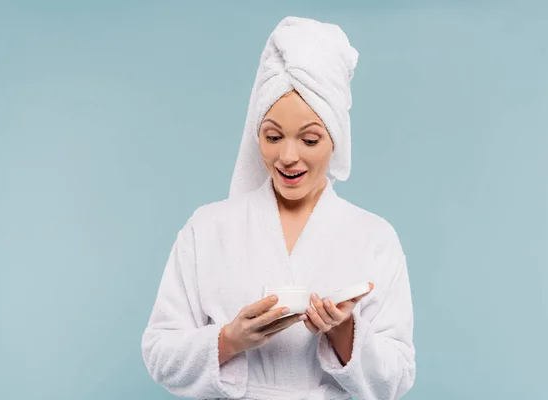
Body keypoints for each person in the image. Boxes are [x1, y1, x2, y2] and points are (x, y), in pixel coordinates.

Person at [141, 16, 416, 400]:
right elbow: (159, 352)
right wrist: (229, 340)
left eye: (309, 139)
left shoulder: (373, 237)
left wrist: (343, 333)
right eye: (273, 136)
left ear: (335, 139)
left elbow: (398, 376)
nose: (288, 157)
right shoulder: (208, 228)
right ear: (257, 136)